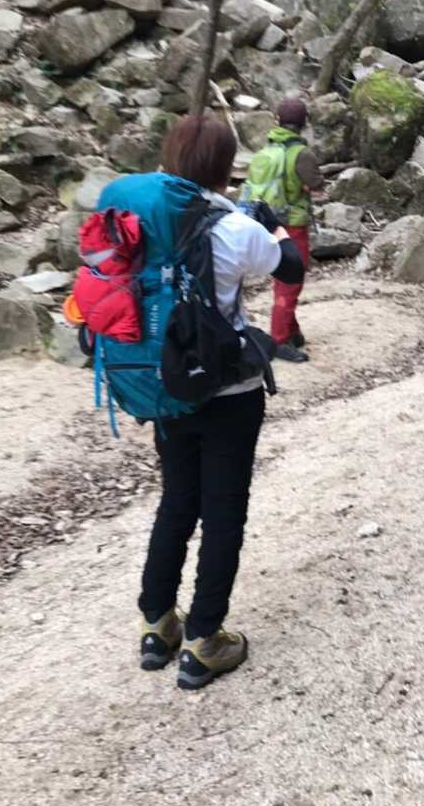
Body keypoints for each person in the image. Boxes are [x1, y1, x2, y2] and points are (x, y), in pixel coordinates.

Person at [139, 113, 305, 689]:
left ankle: (157, 624)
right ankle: (205, 639)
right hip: (228, 389)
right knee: (223, 511)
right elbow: (291, 267)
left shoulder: (142, 222)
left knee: (176, 500)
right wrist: (274, 227)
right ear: (224, 166)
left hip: (165, 384)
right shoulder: (233, 227)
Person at [244, 96, 324, 363]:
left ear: (278, 120)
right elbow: (316, 184)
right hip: (293, 225)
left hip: (268, 222)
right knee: (290, 281)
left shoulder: (268, 149)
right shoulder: (302, 154)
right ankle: (279, 339)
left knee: (283, 277)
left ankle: (292, 330)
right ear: (303, 123)